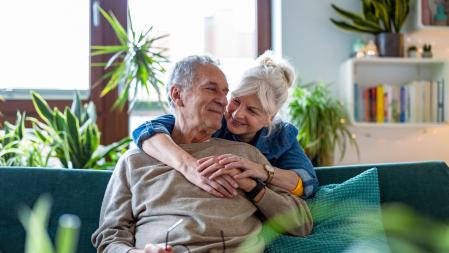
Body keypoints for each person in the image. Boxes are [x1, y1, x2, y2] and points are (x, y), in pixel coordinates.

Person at [92, 55, 313, 253]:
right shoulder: (135, 161)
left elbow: (303, 217)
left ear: (269, 119)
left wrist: (254, 186)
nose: (225, 102)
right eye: (211, 89)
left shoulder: (247, 156)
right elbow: (109, 238)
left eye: (225, 92)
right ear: (177, 95)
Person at [132, 51, 319, 200]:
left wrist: (262, 171)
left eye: (252, 111)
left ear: (270, 117)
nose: (237, 114)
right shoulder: (213, 119)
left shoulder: (282, 136)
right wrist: (189, 167)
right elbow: (146, 130)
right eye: (236, 101)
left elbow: (307, 184)